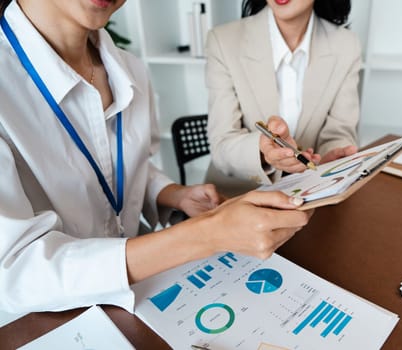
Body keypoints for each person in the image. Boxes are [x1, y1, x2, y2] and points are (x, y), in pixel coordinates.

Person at [0, 0, 312, 314]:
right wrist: (205, 235)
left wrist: (174, 195)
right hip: (51, 319)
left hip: (141, 297)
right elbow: (14, 274)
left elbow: (122, 166)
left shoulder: (130, 69)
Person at [205, 0, 361, 196]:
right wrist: (263, 153)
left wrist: (330, 158)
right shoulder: (222, 40)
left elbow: (339, 132)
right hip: (239, 196)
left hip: (314, 194)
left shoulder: (347, 45)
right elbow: (222, 144)